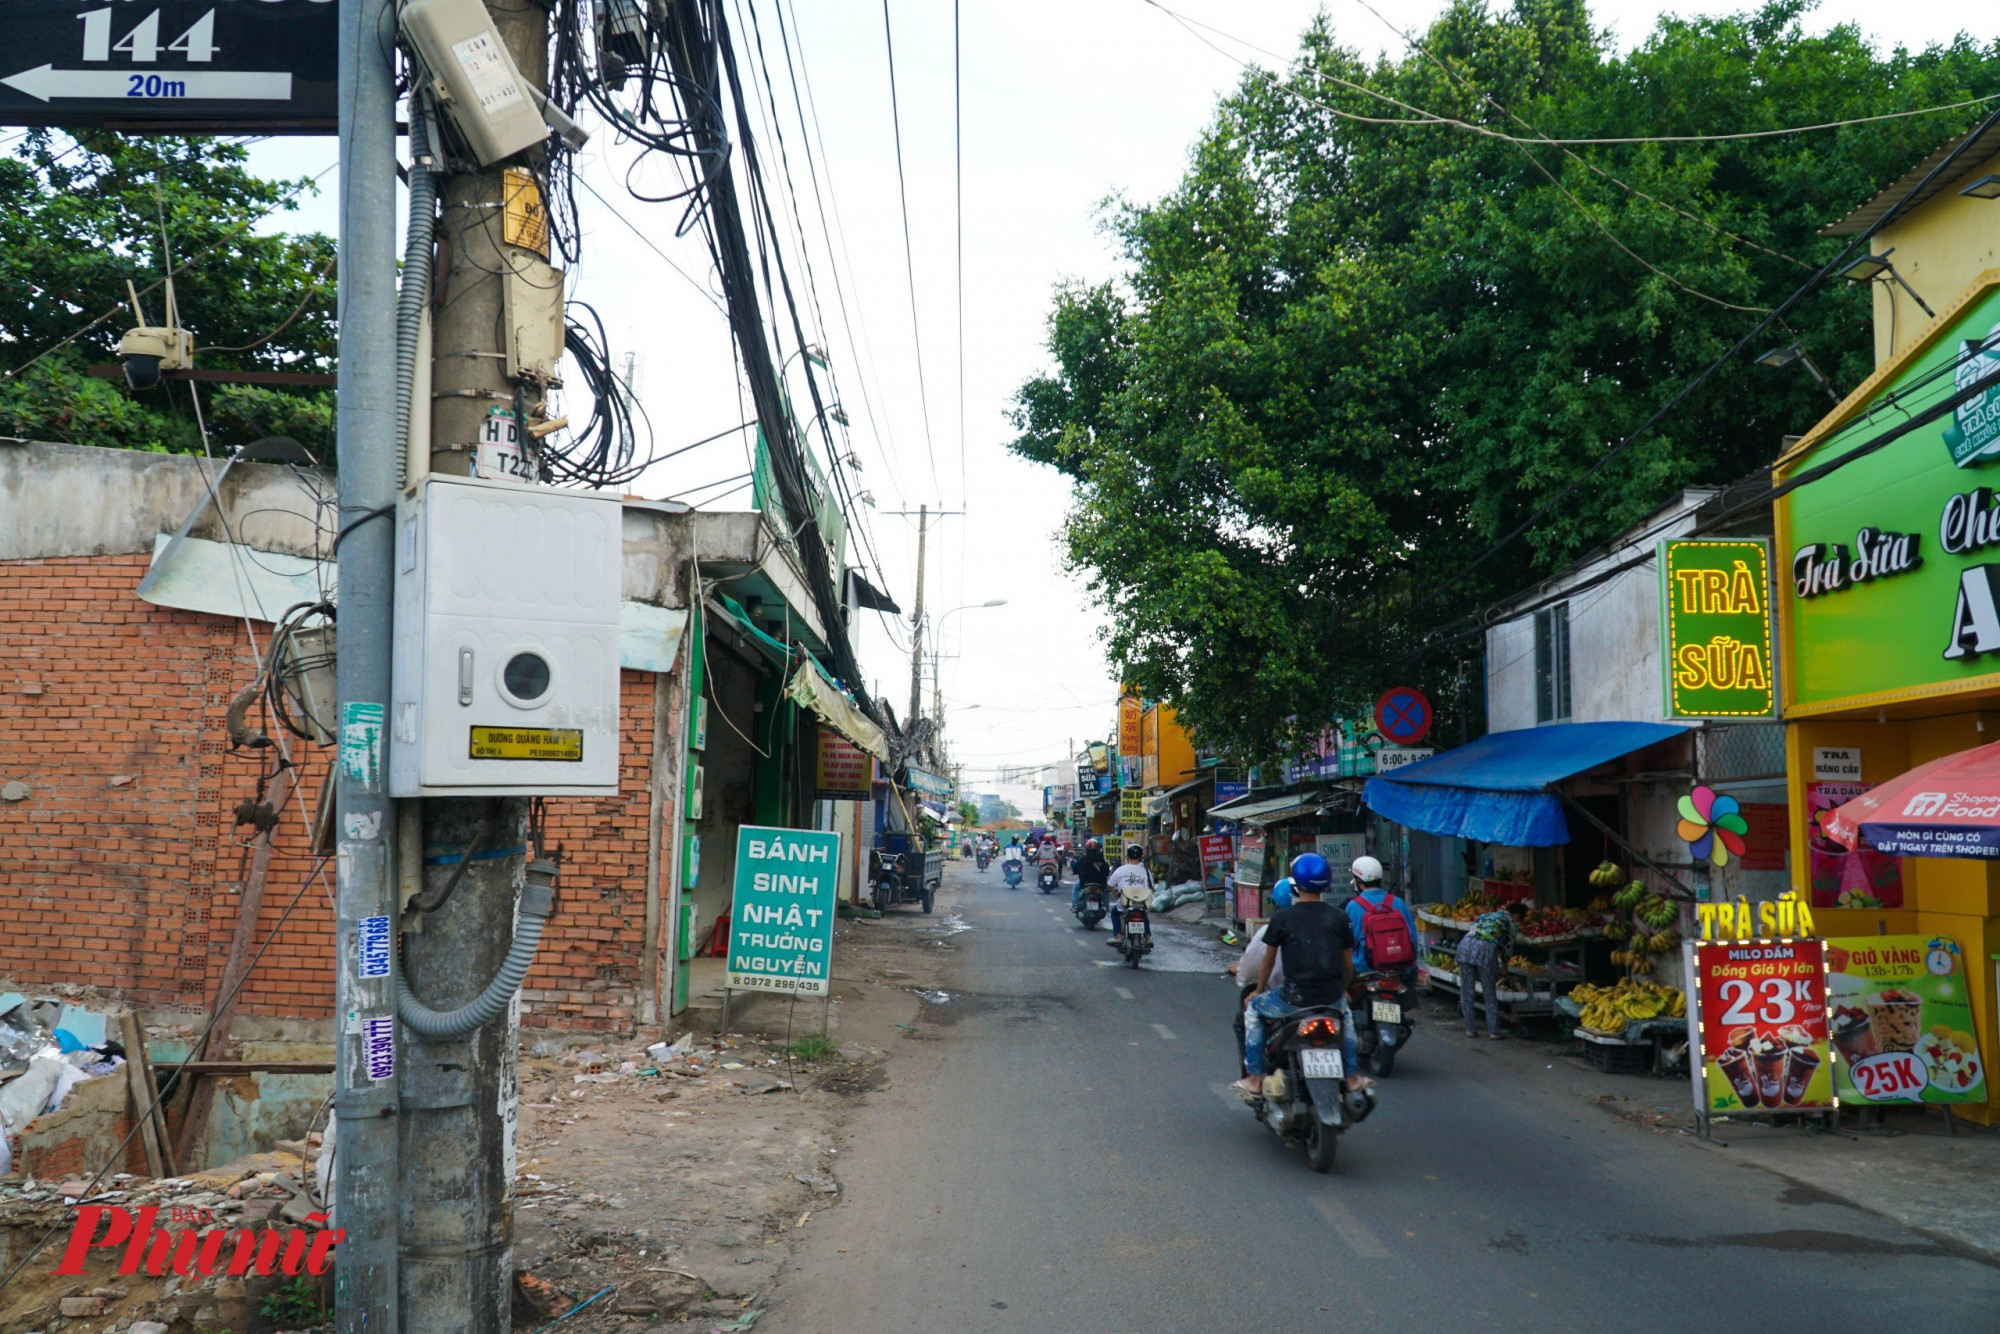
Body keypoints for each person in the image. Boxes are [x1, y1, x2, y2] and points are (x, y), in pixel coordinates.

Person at [1233, 854, 1365, 1095]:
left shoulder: (1282, 918)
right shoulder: (1339, 916)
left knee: (1252, 1011)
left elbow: (1267, 962)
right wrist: (1342, 989)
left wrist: (1258, 990)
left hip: (1292, 999)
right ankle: (1353, 1076)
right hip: (1329, 998)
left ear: (1297, 882)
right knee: (1346, 1018)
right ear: (1327, 883)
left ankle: (1254, 1077)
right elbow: (1348, 965)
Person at [1456, 899, 1528, 1039]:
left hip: (1464, 947)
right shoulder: (1510, 923)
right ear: (1517, 916)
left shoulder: (1487, 915)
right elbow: (1507, 947)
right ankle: (1494, 1031)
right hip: (1484, 950)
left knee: (1467, 992)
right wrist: (1504, 966)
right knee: (1489, 991)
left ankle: (1470, 1029)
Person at [1342, 856, 1419, 977]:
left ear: (1359, 882)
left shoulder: (1353, 906)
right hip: (1401, 969)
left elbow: (1349, 942)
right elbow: (1413, 938)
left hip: (1365, 970)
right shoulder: (1398, 902)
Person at [1105, 843, 1153, 942]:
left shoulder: (1121, 870)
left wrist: (1116, 893)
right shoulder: (1147, 872)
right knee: (1144, 915)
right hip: (1141, 903)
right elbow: (1151, 887)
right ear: (1141, 857)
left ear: (1127, 856)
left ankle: (1118, 936)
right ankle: (1148, 938)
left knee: (1114, 913)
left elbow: (1110, 885)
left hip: (1125, 902)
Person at [1072, 837, 1110, 911]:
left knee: (1076, 887)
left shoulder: (1083, 859)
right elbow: (1107, 872)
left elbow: (1075, 867)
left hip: (1085, 883)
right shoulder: (1102, 859)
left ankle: (1075, 905)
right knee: (1107, 890)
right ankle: (1106, 907)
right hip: (1100, 884)